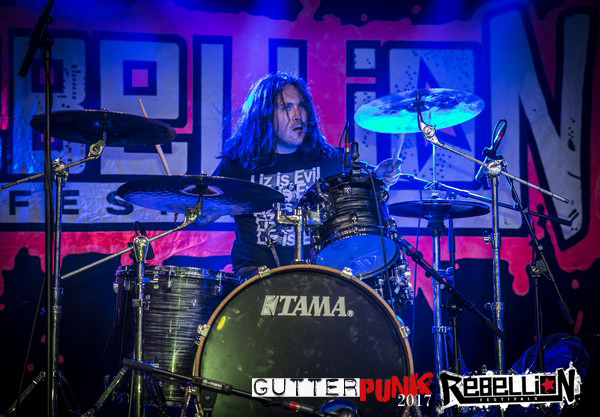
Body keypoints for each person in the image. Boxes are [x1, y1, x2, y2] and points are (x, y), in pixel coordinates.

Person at [213, 72, 400, 279]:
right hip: (256, 278)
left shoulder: (327, 158)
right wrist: (195, 204)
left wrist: (378, 178)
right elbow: (204, 210)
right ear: (264, 116)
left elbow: (358, 192)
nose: (297, 115)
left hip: (320, 275)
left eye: (301, 106)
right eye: (286, 107)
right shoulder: (239, 164)